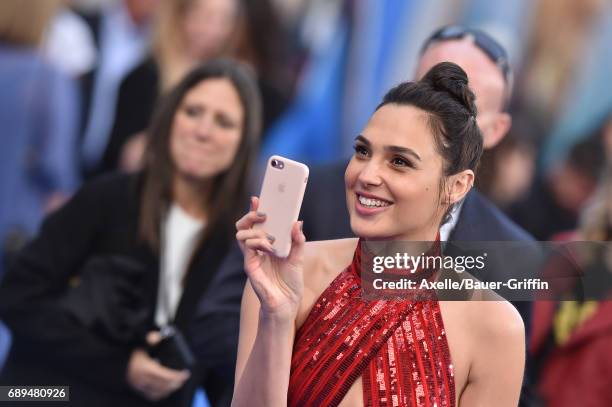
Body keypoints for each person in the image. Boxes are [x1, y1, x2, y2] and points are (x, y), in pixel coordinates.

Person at [233, 62, 525, 406]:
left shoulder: (495, 327)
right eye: (363, 151)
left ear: (457, 185)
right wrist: (277, 317)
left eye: (399, 161)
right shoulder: (286, 275)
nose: (367, 174)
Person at [0, 59, 261, 407]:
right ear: (169, 118)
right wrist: (120, 366)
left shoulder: (238, 240)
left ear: (243, 143)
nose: (203, 131)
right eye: (193, 111)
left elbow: (220, 363)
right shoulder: (107, 198)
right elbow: (17, 296)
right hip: (49, 394)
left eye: (223, 122)